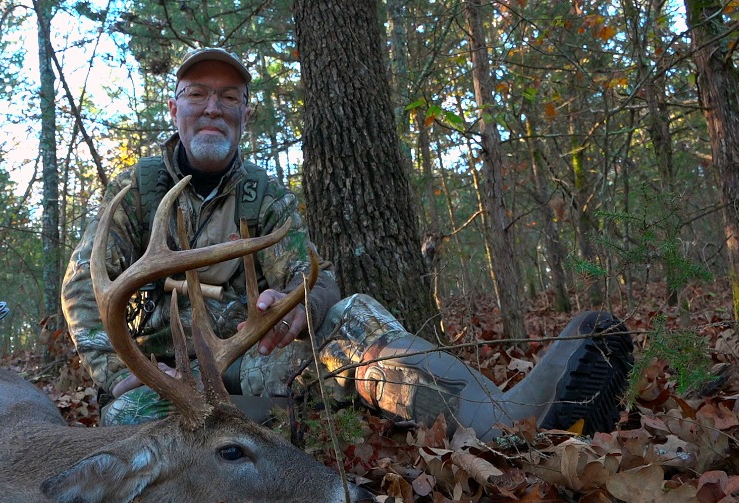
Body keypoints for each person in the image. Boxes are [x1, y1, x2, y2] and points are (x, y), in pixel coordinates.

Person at [61, 47, 634, 441]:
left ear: (244, 114)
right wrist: (115, 371)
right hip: (171, 376)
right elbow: (83, 289)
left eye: (229, 98)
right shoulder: (134, 194)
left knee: (350, 315)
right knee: (129, 419)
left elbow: (316, 274)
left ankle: (505, 419)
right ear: (175, 109)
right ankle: (265, 433)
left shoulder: (266, 197)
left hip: (255, 359)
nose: (213, 107)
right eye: (198, 95)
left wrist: (297, 306)